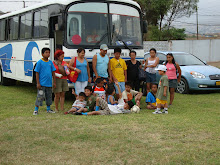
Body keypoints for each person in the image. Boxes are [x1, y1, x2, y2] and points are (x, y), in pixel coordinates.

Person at [33, 48, 56, 115]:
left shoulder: (50, 62)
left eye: (49, 52)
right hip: (42, 84)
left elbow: (53, 72)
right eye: (46, 52)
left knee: (49, 97)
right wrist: (38, 83)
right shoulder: (40, 62)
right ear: (42, 54)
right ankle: (36, 110)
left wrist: (54, 82)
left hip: (49, 84)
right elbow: (37, 73)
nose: (48, 54)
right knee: (40, 97)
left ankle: (48, 109)